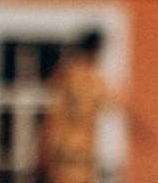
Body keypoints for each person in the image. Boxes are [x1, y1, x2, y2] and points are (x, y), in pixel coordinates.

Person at [38, 32, 117, 183]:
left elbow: (52, 117)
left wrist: (43, 155)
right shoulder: (94, 81)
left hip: (71, 150)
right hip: (80, 151)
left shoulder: (68, 76)